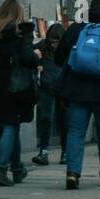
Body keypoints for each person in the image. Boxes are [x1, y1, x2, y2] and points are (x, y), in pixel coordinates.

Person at [55, 0, 100, 189]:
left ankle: (73, 173)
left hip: (76, 89)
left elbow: (60, 57)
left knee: (76, 132)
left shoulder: (76, 28)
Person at [0, 0, 38, 186]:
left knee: (9, 124)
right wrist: (37, 57)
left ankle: (17, 169)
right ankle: (1, 169)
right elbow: (26, 56)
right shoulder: (21, 32)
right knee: (11, 125)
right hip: (16, 85)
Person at [32, 23, 68, 165]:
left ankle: (65, 152)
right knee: (46, 119)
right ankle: (44, 151)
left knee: (64, 121)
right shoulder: (43, 45)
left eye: (56, 42)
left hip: (63, 88)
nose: (53, 45)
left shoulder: (67, 48)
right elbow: (29, 52)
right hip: (47, 87)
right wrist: (37, 61)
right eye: (51, 42)